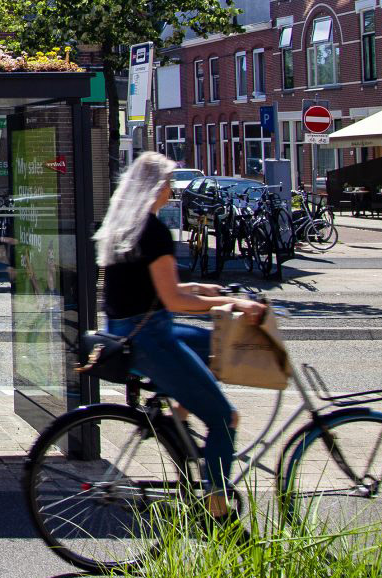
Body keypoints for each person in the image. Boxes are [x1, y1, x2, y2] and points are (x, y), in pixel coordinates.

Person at [95, 152, 268, 520]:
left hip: (130, 330)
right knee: (225, 418)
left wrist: (203, 289)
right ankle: (217, 515)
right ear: (155, 187)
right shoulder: (153, 230)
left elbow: (153, 286)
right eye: (168, 184)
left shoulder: (126, 224)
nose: (172, 192)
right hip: (151, 338)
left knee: (215, 348)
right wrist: (233, 304)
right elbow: (172, 299)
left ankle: (178, 416)